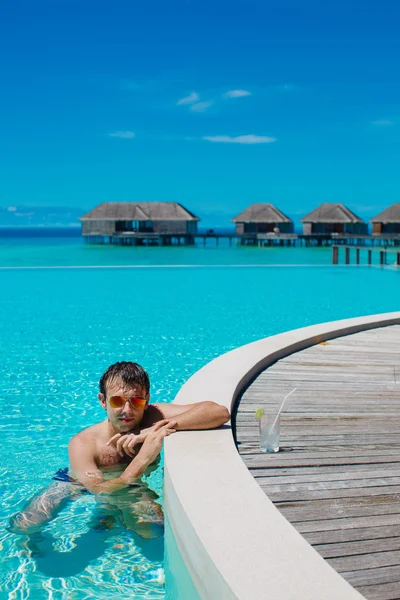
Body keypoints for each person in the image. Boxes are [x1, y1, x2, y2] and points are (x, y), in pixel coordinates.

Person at [10, 361, 230, 540]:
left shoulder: (153, 416)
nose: (127, 410)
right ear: (103, 401)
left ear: (146, 400)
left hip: (129, 487)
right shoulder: (84, 443)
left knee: (152, 531)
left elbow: (218, 412)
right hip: (79, 483)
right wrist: (142, 460)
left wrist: (151, 431)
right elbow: (100, 490)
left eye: (136, 400)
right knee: (25, 525)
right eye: (117, 401)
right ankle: (38, 543)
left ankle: (111, 515)